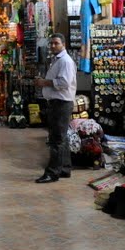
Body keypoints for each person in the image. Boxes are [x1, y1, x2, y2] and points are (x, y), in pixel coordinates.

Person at [34, 33, 76, 183]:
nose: (52, 46)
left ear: (63, 44)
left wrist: (44, 83)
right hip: (57, 102)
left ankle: (52, 172)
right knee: (61, 138)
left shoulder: (65, 61)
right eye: (51, 43)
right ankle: (64, 168)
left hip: (61, 103)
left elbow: (64, 82)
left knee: (56, 139)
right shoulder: (57, 60)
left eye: (56, 43)